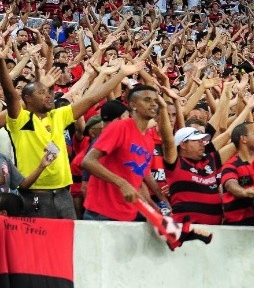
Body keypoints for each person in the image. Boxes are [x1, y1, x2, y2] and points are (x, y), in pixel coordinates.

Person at [0, 44, 144, 219]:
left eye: (48, 92)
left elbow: (92, 99)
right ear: (27, 99)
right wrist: (1, 60)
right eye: (41, 92)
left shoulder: (58, 116)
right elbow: (10, 93)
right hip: (35, 195)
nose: (48, 95)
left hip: (63, 194)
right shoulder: (20, 120)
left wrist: (121, 73)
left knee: (70, 244)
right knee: (43, 245)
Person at [81, 85, 171, 221]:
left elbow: (138, 181)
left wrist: (151, 206)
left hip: (128, 215)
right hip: (101, 213)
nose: (153, 104)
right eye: (147, 100)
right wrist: (121, 183)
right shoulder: (120, 127)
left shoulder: (148, 139)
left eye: (155, 101)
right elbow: (88, 161)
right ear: (133, 104)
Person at [220, 122, 254, 226]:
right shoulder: (231, 165)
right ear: (243, 139)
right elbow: (230, 184)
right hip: (238, 227)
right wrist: (244, 192)